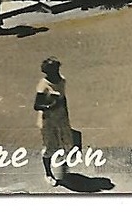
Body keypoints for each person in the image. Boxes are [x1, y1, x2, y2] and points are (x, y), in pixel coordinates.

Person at [34, 57, 74, 186]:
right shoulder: (43, 86)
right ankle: (48, 173)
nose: (57, 72)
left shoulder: (62, 80)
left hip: (61, 118)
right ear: (47, 72)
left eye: (57, 69)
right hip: (48, 120)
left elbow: (63, 98)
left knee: (66, 142)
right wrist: (51, 105)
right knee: (50, 148)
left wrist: (65, 113)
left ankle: (62, 161)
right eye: (54, 70)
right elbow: (37, 106)